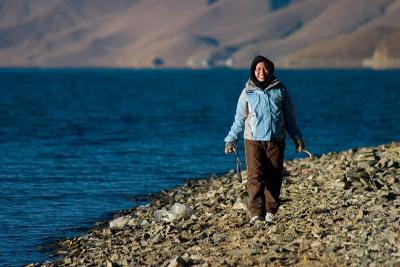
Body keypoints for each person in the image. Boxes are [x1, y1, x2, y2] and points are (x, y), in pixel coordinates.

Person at [224, 55, 305, 224]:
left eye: (265, 68)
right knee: (255, 177)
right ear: (253, 71)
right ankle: (255, 213)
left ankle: (270, 210)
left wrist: (297, 137)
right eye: (258, 69)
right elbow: (239, 119)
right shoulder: (247, 92)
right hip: (253, 140)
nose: (262, 72)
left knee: (274, 176)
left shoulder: (280, 90)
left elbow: (290, 117)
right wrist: (231, 139)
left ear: (271, 70)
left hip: (276, 139)